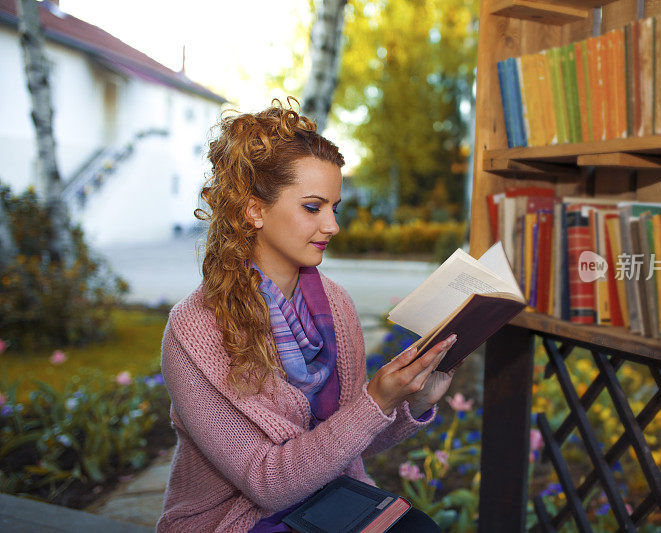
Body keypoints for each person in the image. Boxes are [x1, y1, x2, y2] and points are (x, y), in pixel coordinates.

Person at [157, 99, 458, 532]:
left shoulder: (334, 304)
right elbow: (267, 483)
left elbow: (346, 445)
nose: (332, 226)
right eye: (313, 208)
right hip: (233, 520)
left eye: (335, 207)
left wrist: (412, 400)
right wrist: (376, 399)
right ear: (254, 209)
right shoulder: (195, 329)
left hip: (329, 500)